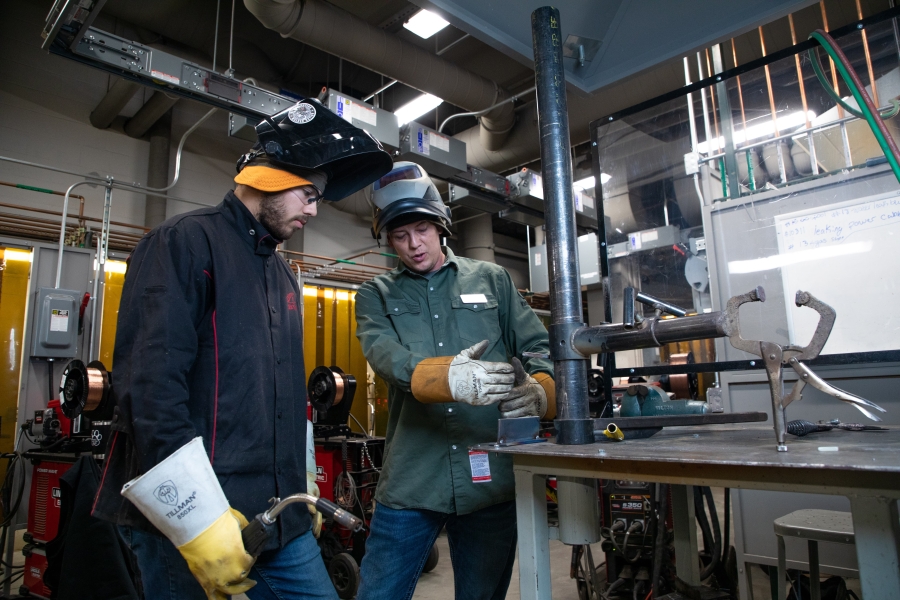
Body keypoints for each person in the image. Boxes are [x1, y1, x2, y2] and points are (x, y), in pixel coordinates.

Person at [91, 100, 392, 600]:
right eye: (308, 193)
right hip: (194, 521)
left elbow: (286, 393)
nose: (314, 210)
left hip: (280, 513)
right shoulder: (185, 243)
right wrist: (196, 518)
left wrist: (304, 483)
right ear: (271, 176)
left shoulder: (279, 274)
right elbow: (150, 387)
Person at [353, 162, 556, 600]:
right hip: (411, 478)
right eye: (399, 236)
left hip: (489, 476)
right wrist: (448, 378)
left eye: (422, 229)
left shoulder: (493, 280)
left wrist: (542, 389)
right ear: (387, 239)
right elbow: (386, 357)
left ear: (441, 225)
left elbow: (539, 347)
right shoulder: (376, 295)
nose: (413, 245)